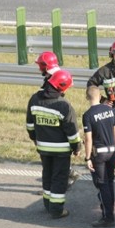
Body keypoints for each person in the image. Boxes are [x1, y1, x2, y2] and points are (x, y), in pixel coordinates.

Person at [26, 70, 81, 219]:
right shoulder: (63, 105)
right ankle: (56, 210)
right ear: (62, 87)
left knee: (47, 174)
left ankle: (47, 204)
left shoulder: (34, 99)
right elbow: (72, 131)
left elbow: (30, 125)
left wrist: (35, 139)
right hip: (61, 150)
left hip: (43, 147)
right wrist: (77, 147)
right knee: (59, 177)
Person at [34, 51, 80, 188]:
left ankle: (66, 177)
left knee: (58, 142)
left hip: (56, 107)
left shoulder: (54, 76)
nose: (39, 68)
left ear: (45, 65)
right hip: (56, 107)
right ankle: (65, 177)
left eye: (40, 65)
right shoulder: (50, 74)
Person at [82, 86, 115, 227]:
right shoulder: (110, 110)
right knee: (109, 183)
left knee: (102, 184)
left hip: (99, 154)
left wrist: (87, 158)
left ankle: (107, 217)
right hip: (111, 151)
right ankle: (110, 212)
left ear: (87, 97)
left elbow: (88, 139)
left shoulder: (88, 115)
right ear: (100, 96)